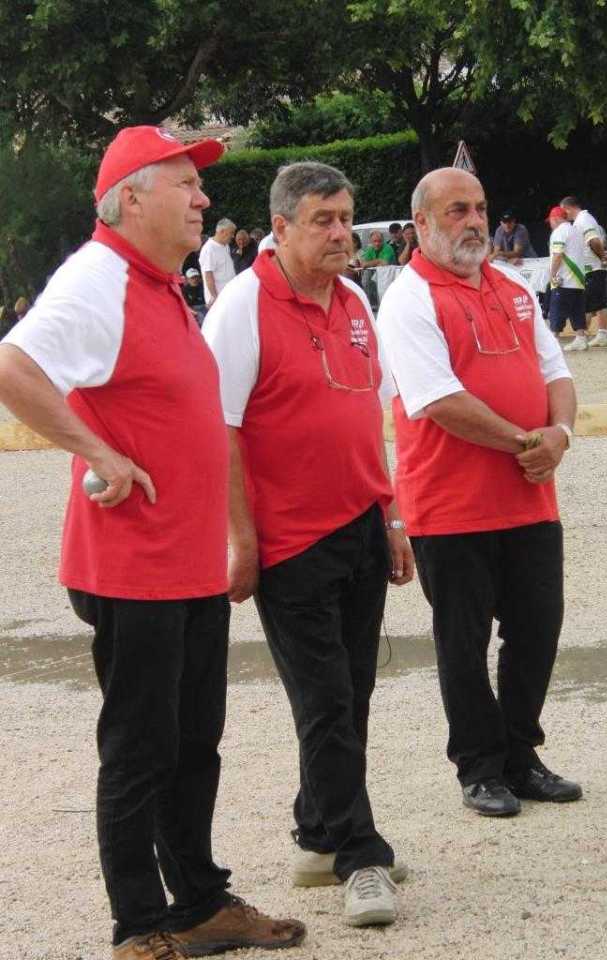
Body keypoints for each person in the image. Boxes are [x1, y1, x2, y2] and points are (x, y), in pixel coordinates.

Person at [0, 125, 305, 960]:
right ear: (130, 198)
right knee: (139, 750)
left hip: (187, 563)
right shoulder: (98, 276)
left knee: (193, 744)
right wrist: (98, 453)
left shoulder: (159, 283)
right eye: (184, 183)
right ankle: (138, 925)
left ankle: (199, 903)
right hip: (133, 566)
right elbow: (13, 367)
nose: (203, 197)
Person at [202, 161, 414, 929]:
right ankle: (360, 856)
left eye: (346, 218)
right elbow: (221, 430)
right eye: (323, 220)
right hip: (289, 540)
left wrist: (391, 515)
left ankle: (319, 833)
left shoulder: (355, 300)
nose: (340, 234)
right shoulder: (242, 306)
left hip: (359, 524)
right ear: (281, 227)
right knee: (324, 700)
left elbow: (370, 417)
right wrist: (240, 538)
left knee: (352, 691)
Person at [377, 166, 582, 820]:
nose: (474, 222)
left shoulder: (513, 285)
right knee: (462, 644)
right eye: (457, 210)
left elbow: (556, 370)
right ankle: (479, 766)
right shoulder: (408, 298)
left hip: (530, 500)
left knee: (537, 630)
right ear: (421, 224)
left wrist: (560, 435)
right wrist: (529, 444)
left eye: (480, 208)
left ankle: (521, 756)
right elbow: (438, 400)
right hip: (451, 507)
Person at [560, 197, 607, 347]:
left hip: (592, 268)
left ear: (568, 208)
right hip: (593, 268)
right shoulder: (584, 219)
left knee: (584, 305)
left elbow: (593, 240)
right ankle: (601, 335)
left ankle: (581, 337)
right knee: (599, 303)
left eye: (563, 211)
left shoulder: (583, 220)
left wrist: (603, 256)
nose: (563, 215)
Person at [546, 205, 588, 352]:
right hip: (578, 280)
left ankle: (554, 340)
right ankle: (581, 338)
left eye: (550, 221)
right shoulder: (576, 231)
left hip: (563, 280)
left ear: (555, 219)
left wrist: (552, 275)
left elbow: (558, 255)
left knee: (557, 311)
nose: (550, 224)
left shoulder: (558, 232)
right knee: (577, 310)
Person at [199, 216, 236, 306]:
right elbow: (208, 276)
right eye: (231, 233)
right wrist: (214, 297)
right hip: (219, 298)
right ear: (222, 232)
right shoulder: (209, 249)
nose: (233, 236)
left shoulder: (225, 245)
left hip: (229, 295)